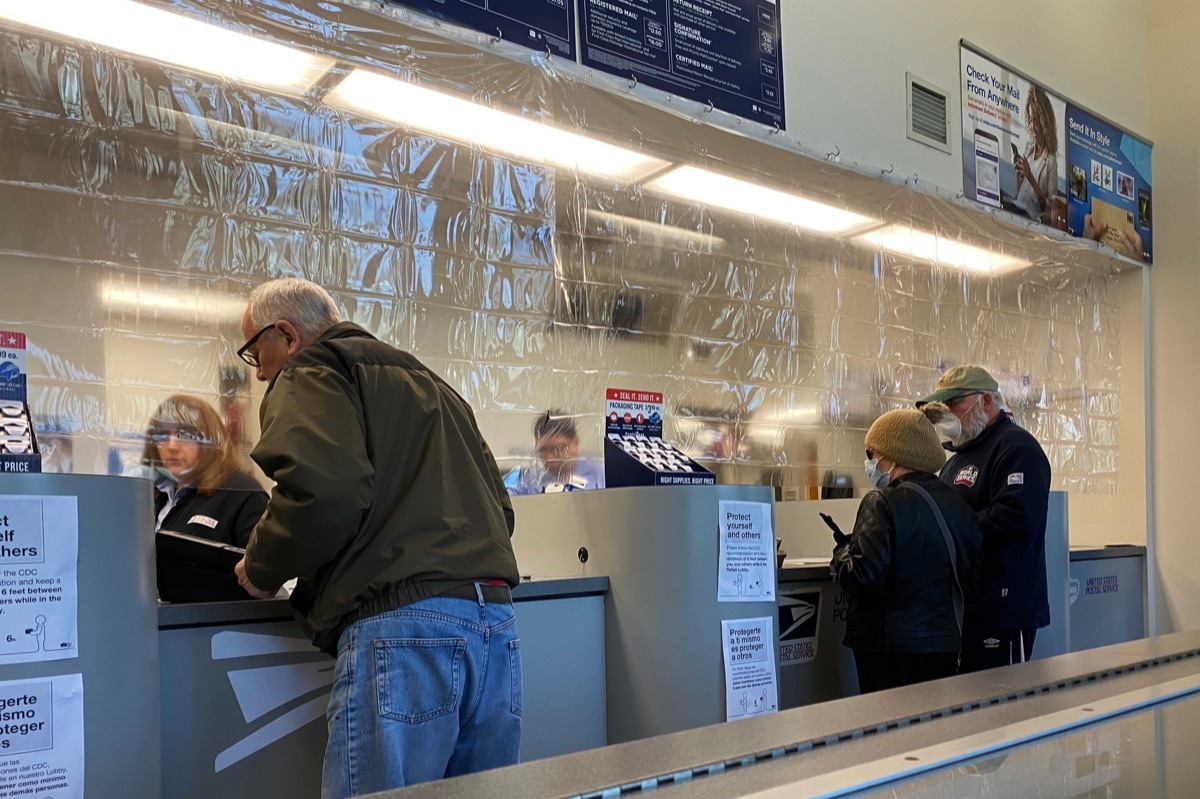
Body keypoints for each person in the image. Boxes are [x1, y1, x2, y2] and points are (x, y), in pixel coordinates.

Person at [230, 278, 521, 797]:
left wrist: (261, 565)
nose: (261, 374)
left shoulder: (315, 368)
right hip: (494, 625)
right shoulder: (435, 385)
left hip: (405, 630)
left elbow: (326, 491)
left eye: (256, 353)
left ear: (286, 336)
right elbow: (500, 510)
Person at [831, 409, 982, 694]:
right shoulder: (958, 505)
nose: (870, 462)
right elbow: (972, 574)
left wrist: (841, 553)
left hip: (889, 649)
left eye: (871, 453)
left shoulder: (881, 501)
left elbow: (863, 578)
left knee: (891, 733)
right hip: (945, 644)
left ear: (892, 454)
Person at [917, 365, 1052, 672]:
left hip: (1003, 609)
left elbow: (1016, 517)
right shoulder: (956, 460)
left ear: (987, 402)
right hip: (964, 609)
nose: (946, 416)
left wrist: (950, 530)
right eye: (941, 410)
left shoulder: (1017, 448)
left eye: (953, 405)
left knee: (1001, 706)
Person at [141, 394, 267, 547]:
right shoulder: (150, 498)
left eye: (185, 434)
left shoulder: (242, 493)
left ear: (209, 440)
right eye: (163, 435)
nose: (172, 446)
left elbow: (259, 566)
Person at [507, 410, 605, 495]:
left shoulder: (601, 478)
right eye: (544, 450)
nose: (550, 458)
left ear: (575, 443)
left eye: (558, 448)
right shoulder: (531, 481)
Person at [1014, 85, 1060, 225]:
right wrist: (1019, 176)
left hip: (1032, 219)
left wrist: (1031, 178)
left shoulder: (1051, 161)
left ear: (1045, 123)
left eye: (1036, 122)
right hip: (1018, 210)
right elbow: (1019, 193)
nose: (1033, 127)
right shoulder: (1028, 149)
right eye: (1031, 120)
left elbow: (1051, 209)